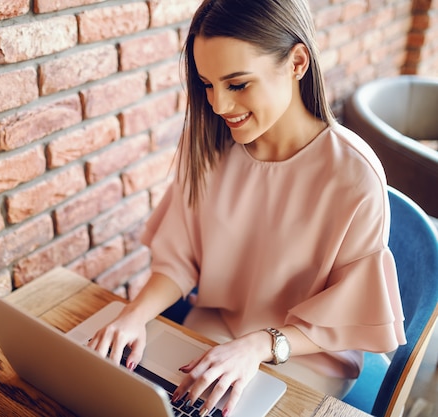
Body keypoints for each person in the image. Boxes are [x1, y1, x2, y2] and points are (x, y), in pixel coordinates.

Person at [87, 0, 406, 416]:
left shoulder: (355, 176)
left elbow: (347, 315)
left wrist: (260, 345)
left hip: (304, 354)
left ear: (297, 62)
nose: (218, 106)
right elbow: (179, 260)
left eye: (237, 85)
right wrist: (133, 314)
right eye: (207, 84)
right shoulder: (209, 144)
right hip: (213, 332)